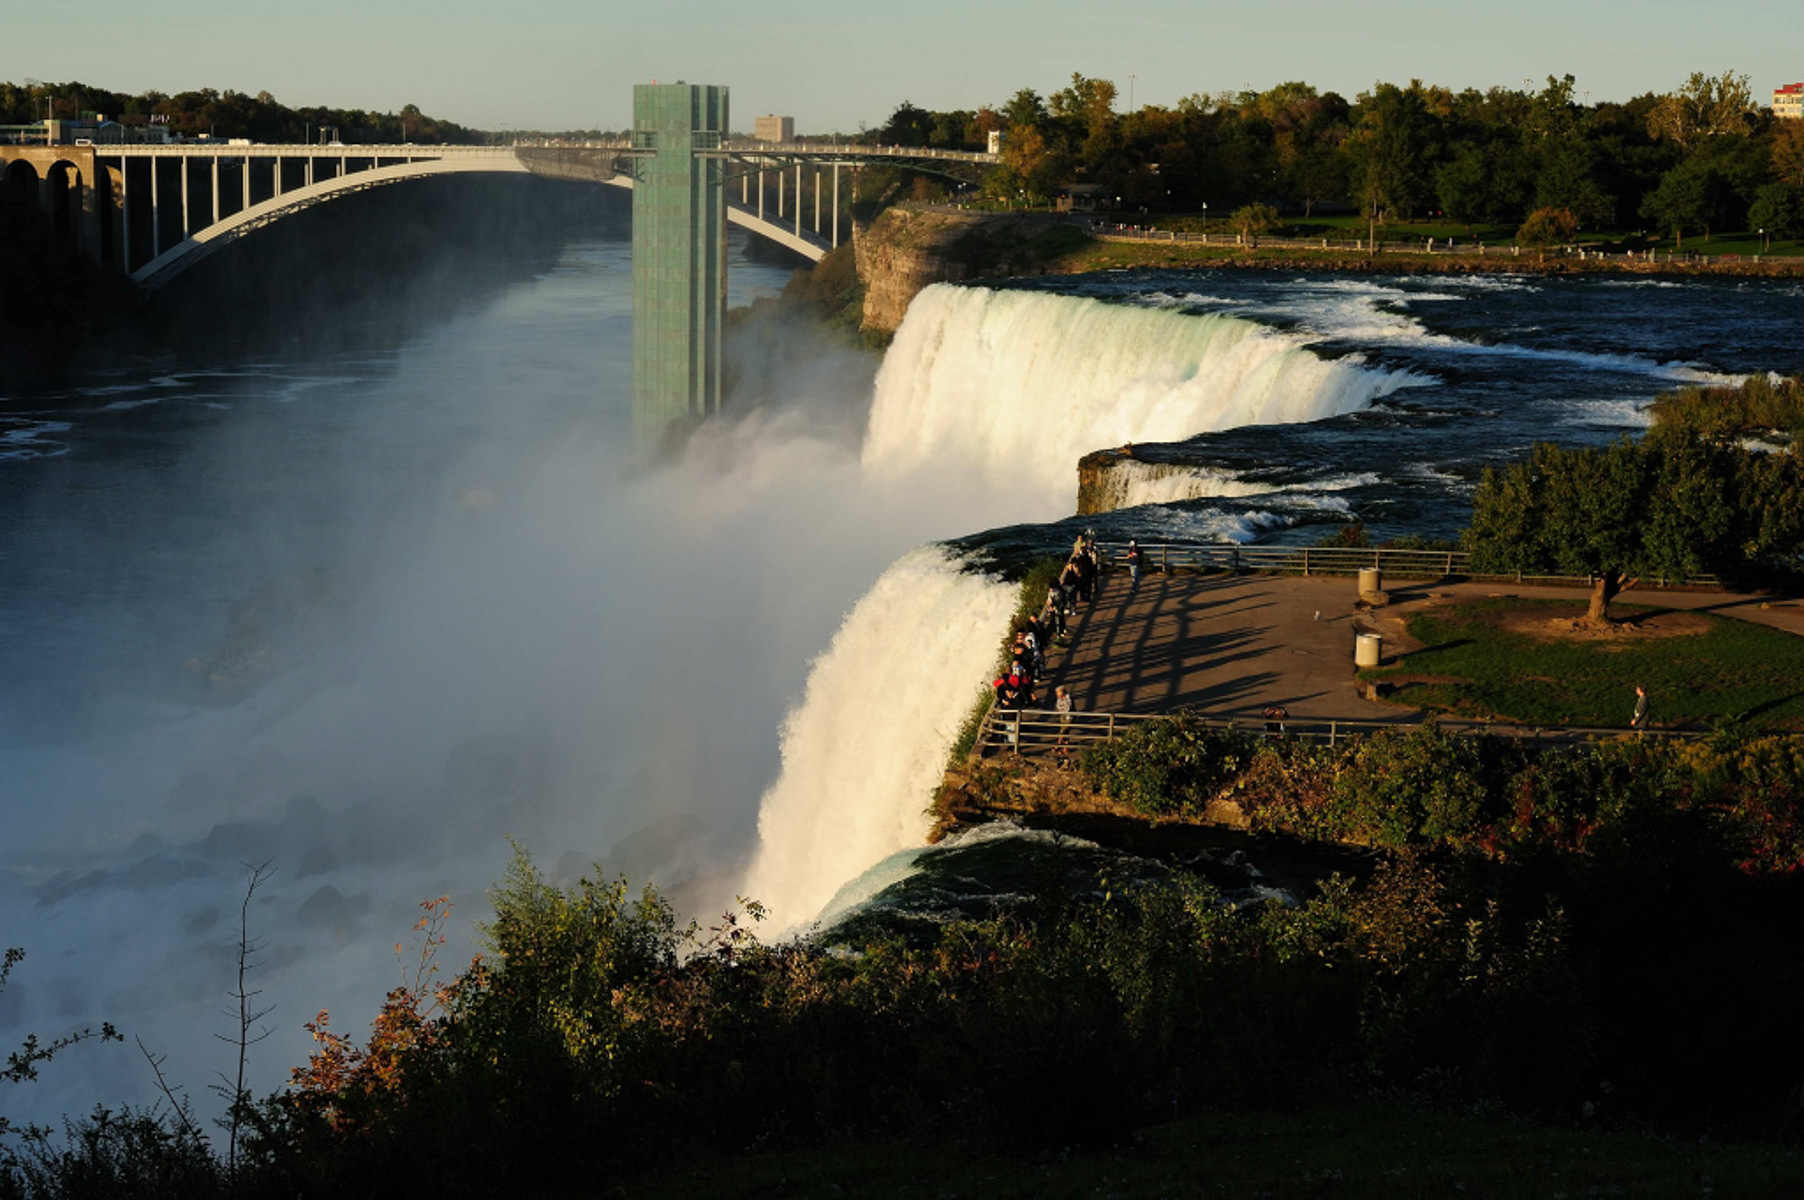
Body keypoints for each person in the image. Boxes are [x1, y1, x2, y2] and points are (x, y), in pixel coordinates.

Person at [1054, 685, 1075, 765]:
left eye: (1057, 693)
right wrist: (1061, 708)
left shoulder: (1068, 697)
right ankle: (1065, 748)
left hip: (1069, 717)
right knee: (1065, 731)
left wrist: (1061, 708)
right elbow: (1058, 705)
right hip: (1062, 716)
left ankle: (1058, 745)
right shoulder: (1060, 698)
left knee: (1063, 731)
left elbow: (1068, 707)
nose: (1056, 694)